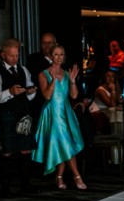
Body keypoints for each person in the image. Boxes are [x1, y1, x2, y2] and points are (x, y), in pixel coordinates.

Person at [33, 45, 85, 191]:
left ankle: (59, 177)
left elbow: (74, 96)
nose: (59, 57)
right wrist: (54, 80)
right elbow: (47, 96)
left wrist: (73, 81)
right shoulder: (43, 74)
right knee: (65, 141)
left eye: (62, 54)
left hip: (66, 111)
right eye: (56, 54)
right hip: (52, 112)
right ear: (51, 56)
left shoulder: (67, 74)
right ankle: (77, 176)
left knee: (62, 143)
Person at [0, 38, 37, 195]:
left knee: (25, 149)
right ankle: (5, 186)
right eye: (11, 56)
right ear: (3, 55)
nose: (15, 59)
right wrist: (10, 92)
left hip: (23, 114)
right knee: (7, 151)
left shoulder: (23, 69)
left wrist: (30, 92)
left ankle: (26, 184)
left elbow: (30, 91)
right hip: (6, 114)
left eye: (16, 55)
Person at [88, 70, 120, 134]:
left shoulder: (112, 87)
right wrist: (113, 91)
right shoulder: (100, 90)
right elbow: (112, 105)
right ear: (104, 78)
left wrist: (115, 89)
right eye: (108, 76)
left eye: (113, 76)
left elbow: (118, 100)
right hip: (98, 113)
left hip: (107, 112)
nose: (111, 78)